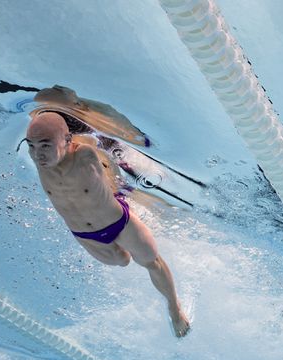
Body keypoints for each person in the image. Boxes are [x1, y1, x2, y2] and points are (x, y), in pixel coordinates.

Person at [24, 112, 190, 337]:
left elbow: (101, 138)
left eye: (45, 145)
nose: (37, 154)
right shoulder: (41, 162)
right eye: (31, 146)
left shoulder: (84, 154)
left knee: (151, 261)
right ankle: (125, 251)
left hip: (118, 222)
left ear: (67, 140)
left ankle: (175, 310)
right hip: (86, 236)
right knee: (122, 261)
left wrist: (121, 184)